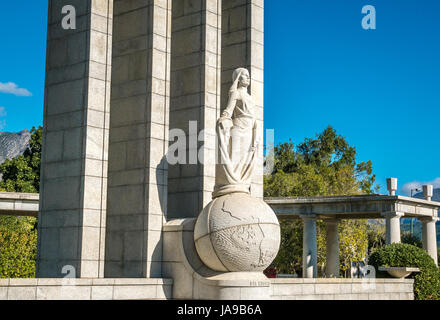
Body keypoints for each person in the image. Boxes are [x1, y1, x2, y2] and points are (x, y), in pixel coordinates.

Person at [213, 67, 259, 198]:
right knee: (235, 159)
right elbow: (228, 111)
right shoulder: (236, 93)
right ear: (238, 79)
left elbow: (253, 116)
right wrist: (223, 122)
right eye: (245, 75)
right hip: (239, 128)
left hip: (250, 130)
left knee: (245, 159)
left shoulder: (250, 97)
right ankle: (231, 183)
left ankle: (240, 184)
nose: (248, 78)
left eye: (249, 75)